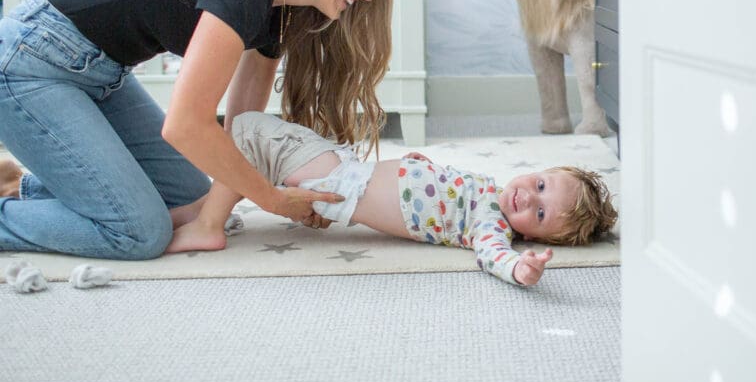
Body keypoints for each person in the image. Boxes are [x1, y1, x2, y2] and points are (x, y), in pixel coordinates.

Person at [0, 0, 397, 260]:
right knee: (140, 233)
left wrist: (217, 213)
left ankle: (19, 186)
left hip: (101, 74)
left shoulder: (282, 13)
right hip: (29, 63)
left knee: (191, 200)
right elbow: (186, 125)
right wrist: (272, 200)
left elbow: (243, 131)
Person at [167, 111, 618, 286]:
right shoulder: (488, 189)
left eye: (539, 213)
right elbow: (442, 191)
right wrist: (421, 167)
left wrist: (521, 268)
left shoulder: (491, 227)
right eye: (541, 185)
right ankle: (201, 214)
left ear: (534, 236)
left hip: (341, 183)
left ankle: (209, 227)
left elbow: (492, 255)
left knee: (247, 131)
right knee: (257, 153)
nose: (528, 198)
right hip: (350, 170)